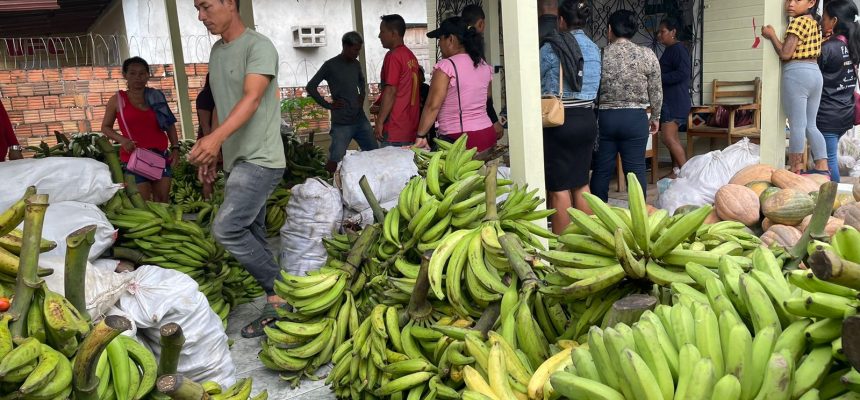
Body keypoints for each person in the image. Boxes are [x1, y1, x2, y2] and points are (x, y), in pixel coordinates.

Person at [189, 0, 286, 338]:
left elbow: (251, 98)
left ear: (230, 3)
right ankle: (277, 303)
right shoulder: (217, 52)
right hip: (236, 160)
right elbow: (221, 103)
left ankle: (284, 293)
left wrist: (215, 139)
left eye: (206, 6)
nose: (201, 16)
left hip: (260, 158)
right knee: (254, 233)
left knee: (227, 229)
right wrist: (213, 152)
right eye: (197, 9)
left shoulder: (258, 47)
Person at [539, 0, 600, 233]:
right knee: (581, 182)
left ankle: (564, 246)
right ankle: (590, 239)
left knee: (559, 187)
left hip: (560, 121)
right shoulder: (594, 49)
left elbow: (540, 82)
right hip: (587, 120)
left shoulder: (551, 47)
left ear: (561, 20)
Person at [590, 10, 663, 202]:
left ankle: (598, 219)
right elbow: (656, 90)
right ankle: (637, 220)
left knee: (602, 170)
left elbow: (591, 87)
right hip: (635, 118)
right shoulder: (647, 54)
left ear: (609, 30)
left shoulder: (600, 55)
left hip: (605, 118)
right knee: (636, 169)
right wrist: (655, 117)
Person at [762, 0, 828, 175]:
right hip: (815, 73)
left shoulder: (798, 22)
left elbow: (785, 53)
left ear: (811, 2)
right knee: (811, 125)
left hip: (797, 73)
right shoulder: (814, 23)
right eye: (788, 0)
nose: (790, 4)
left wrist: (771, 35)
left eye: (797, 0)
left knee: (797, 125)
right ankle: (822, 166)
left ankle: (795, 168)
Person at [101, 56, 179, 202]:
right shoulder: (117, 100)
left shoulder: (156, 97)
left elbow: (169, 125)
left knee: (162, 201)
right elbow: (105, 127)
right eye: (132, 73)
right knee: (142, 203)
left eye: (142, 73)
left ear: (148, 75)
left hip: (159, 157)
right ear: (125, 75)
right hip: (133, 158)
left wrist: (175, 148)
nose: (138, 77)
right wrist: (122, 140)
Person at [414, 17, 496, 152]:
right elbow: (487, 96)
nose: (439, 44)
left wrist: (421, 135)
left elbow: (432, 106)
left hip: (459, 139)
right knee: (485, 173)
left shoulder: (446, 66)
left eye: (440, 39)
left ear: (450, 39)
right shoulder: (483, 65)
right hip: (487, 133)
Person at [307, 32, 378, 172]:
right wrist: (328, 105)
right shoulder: (330, 65)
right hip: (341, 123)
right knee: (336, 158)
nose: (357, 53)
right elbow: (310, 86)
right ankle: (327, 186)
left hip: (360, 119)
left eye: (359, 50)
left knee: (374, 152)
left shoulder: (356, 64)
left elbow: (361, 81)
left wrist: (362, 95)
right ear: (345, 46)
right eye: (355, 50)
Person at [818, 0, 859, 182]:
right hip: (846, 113)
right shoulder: (853, 46)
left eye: (824, 18)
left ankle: (832, 197)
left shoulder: (827, 48)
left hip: (828, 114)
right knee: (828, 155)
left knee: (829, 160)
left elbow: (813, 76)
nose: (821, 21)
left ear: (834, 21)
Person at [373, 14, 421, 147]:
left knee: (389, 167)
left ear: (393, 34)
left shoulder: (393, 56)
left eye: (382, 31)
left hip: (395, 128)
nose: (379, 36)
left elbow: (391, 90)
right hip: (410, 127)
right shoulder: (410, 56)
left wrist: (380, 121)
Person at [461, 4, 504, 141]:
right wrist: (494, 121)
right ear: (481, 23)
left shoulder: (454, 54)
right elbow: (487, 95)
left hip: (455, 126)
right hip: (479, 126)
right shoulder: (477, 56)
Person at [657, 17, 691, 177]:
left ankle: (686, 175)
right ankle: (675, 170)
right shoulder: (670, 49)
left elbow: (683, 73)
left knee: (668, 138)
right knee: (673, 138)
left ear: (673, 32)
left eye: (663, 31)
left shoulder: (678, 49)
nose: (659, 35)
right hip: (670, 100)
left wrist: (660, 78)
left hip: (675, 101)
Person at [195, 73, 217, 199]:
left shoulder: (222, 96)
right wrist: (212, 146)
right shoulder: (205, 96)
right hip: (210, 139)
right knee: (208, 174)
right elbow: (205, 125)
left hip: (223, 139)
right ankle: (209, 205)